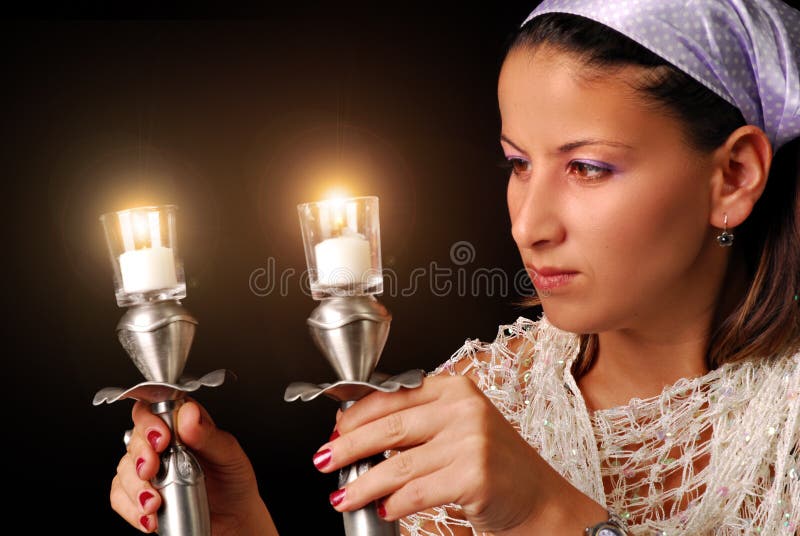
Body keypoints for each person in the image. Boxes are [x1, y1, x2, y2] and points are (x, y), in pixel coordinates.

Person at [110, 0, 800, 534]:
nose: (530, 225)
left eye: (588, 169)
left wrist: (544, 514)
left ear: (734, 176)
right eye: (518, 164)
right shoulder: (481, 399)